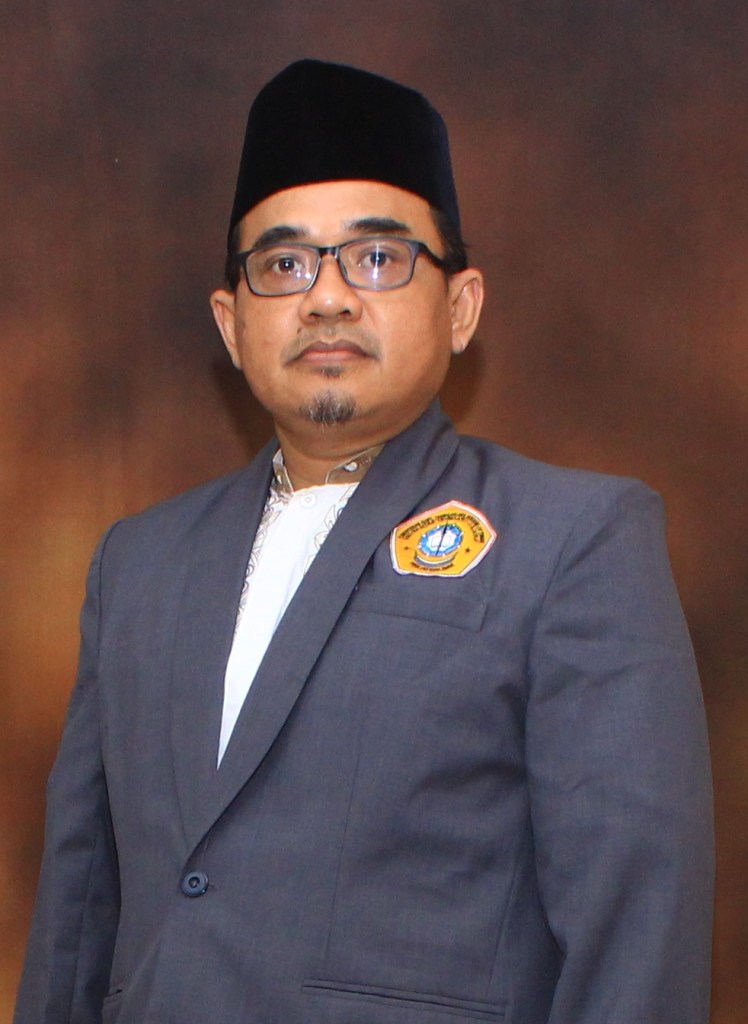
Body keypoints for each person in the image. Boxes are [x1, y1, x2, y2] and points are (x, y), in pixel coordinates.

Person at [14, 59, 714, 1024]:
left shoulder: (572, 539)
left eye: (378, 257)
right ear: (231, 323)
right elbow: (78, 910)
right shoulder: (138, 564)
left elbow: (639, 924)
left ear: (460, 307)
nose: (328, 299)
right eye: (284, 265)